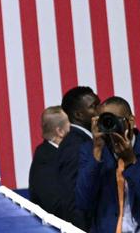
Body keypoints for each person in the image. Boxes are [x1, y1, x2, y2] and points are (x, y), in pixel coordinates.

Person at [75, 96, 140, 233]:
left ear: (131, 121)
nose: (111, 126)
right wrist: (97, 152)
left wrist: (131, 163)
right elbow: (83, 203)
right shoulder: (90, 151)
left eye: (115, 120)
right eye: (105, 121)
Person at [56, 86, 100, 227]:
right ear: (78, 115)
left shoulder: (86, 141)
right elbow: (72, 200)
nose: (100, 110)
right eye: (94, 107)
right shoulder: (75, 146)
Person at [27, 106, 70, 213]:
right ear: (60, 131)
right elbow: (54, 205)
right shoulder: (45, 159)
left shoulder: (59, 153)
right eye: (71, 124)